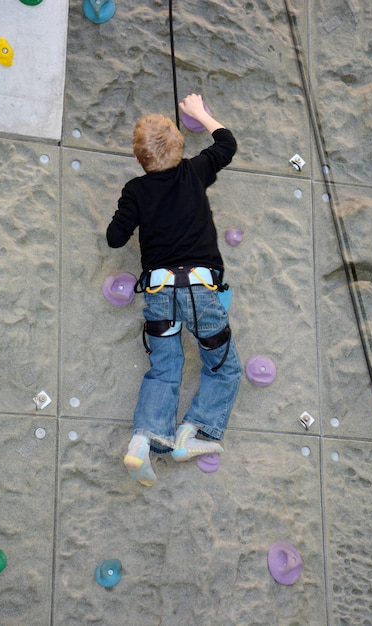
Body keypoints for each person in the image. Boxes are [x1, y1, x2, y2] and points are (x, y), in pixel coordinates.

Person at [107, 94, 242, 486]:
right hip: (201, 290)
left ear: (138, 160)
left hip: (159, 293)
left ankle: (142, 440)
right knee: (222, 365)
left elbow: (116, 238)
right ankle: (192, 432)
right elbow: (226, 145)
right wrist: (200, 112)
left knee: (165, 368)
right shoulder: (196, 170)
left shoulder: (136, 189)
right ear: (182, 147)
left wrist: (130, 212)